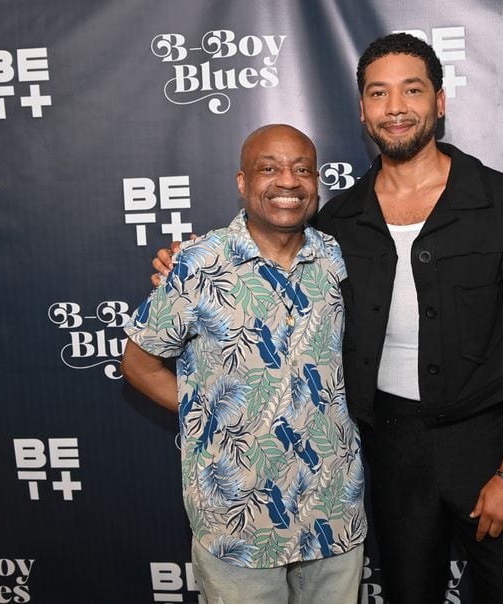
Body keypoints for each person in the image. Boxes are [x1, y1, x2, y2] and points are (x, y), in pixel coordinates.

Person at [154, 34, 503, 604]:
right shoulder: (337, 224)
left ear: (440, 102)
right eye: (378, 93)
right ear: (363, 110)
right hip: (387, 447)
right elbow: (258, 256)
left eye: (412, 90)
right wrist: (186, 264)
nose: (395, 107)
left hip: (487, 445)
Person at [122, 124, 366, 604]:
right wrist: (206, 419)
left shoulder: (337, 258)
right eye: (268, 168)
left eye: (302, 169)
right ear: (241, 181)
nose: (288, 182)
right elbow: (139, 364)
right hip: (236, 520)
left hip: (332, 510)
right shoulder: (197, 265)